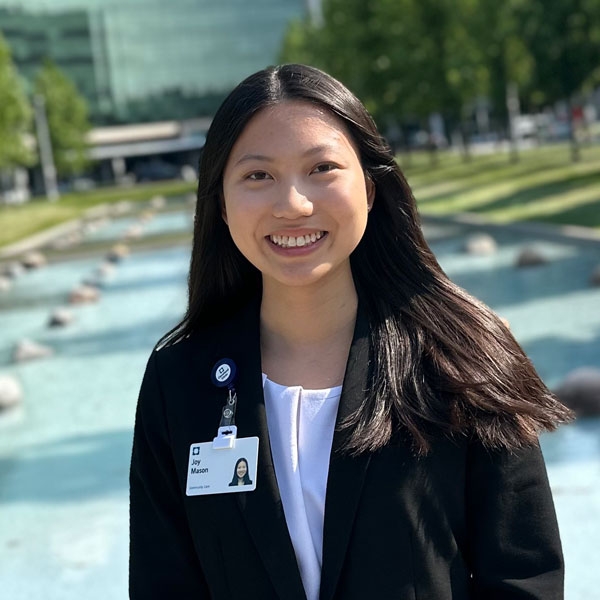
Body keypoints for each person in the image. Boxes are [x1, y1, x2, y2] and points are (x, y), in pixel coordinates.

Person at [129, 63, 572, 600]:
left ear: (369, 188)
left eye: (322, 168)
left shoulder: (461, 355)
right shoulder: (179, 380)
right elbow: (163, 584)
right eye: (257, 176)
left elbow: (526, 580)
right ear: (220, 204)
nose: (293, 204)